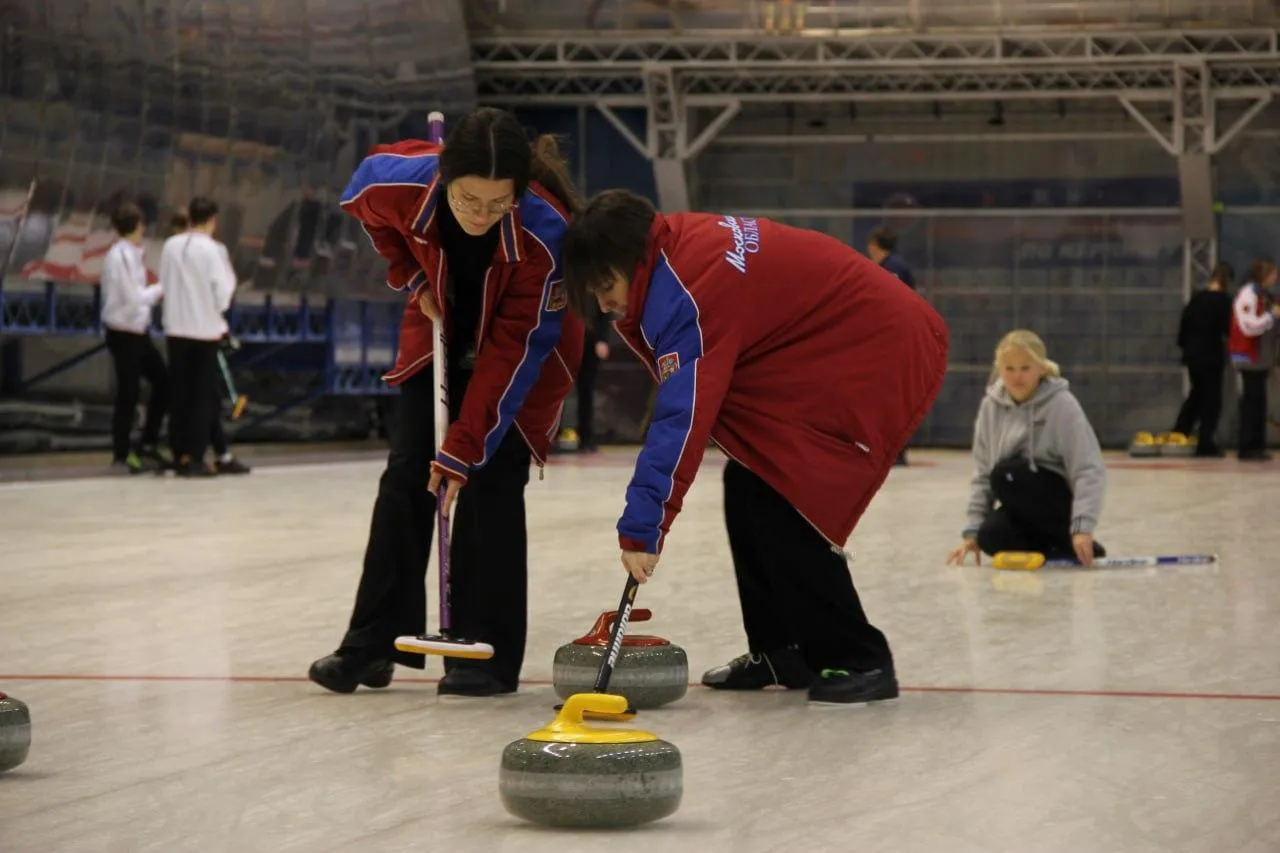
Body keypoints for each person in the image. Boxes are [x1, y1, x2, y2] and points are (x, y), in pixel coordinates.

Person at [560, 189, 949, 706]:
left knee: (786, 495)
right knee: (748, 481)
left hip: (872, 346)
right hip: (828, 342)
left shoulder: (683, 291)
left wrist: (643, 526)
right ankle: (782, 649)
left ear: (633, 259)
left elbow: (682, 416)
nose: (605, 305)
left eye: (606, 286)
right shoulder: (672, 252)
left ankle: (859, 658)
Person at [308, 108, 584, 697]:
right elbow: (362, 201)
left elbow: (513, 351)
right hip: (437, 325)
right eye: (467, 201)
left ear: (520, 191)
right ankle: (372, 642)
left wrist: (462, 448)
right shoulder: (400, 183)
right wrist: (412, 276)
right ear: (444, 180)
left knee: (488, 478)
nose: (481, 216)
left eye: (497, 204)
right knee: (409, 473)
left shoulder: (545, 235)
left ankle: (485, 655)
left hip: (522, 354)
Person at [946, 330, 1106, 568]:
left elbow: (1088, 469)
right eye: (1009, 369)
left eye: (1025, 368)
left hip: (1056, 498)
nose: (1017, 377)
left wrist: (1083, 527)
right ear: (999, 370)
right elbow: (982, 473)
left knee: (1005, 475)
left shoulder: (1062, 405)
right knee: (989, 536)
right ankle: (1059, 546)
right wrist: (972, 531)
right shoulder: (991, 407)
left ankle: (1071, 538)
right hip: (1018, 499)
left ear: (1041, 368)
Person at [167, 210, 251, 475]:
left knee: (180, 393)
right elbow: (224, 291)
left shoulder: (171, 245)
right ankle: (196, 456)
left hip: (175, 329)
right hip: (204, 332)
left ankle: (181, 453)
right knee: (204, 397)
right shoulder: (214, 249)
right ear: (213, 220)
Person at [100, 202, 168, 474]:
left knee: (163, 381)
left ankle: (148, 442)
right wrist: (160, 288)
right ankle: (122, 453)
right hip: (122, 332)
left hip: (138, 332)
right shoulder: (119, 256)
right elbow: (133, 299)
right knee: (128, 393)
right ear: (138, 225)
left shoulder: (132, 254)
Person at [867, 225, 917, 466]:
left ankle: (894, 450)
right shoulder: (894, 266)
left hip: (892, 342)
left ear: (876, 245)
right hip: (895, 340)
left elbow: (889, 305)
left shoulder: (892, 268)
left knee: (890, 395)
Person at [1173, 261, 1234, 457]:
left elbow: (1183, 328)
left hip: (1192, 355)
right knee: (1211, 399)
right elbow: (1227, 329)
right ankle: (1205, 442)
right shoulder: (1224, 301)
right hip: (1211, 355)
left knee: (1197, 394)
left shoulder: (1196, 298)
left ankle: (1180, 432)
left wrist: (1186, 347)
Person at [1227, 258, 1280, 461]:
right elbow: (1249, 326)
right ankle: (1247, 446)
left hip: (1262, 359)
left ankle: (1257, 445)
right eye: (1273, 273)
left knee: (1259, 402)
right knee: (1251, 402)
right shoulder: (1248, 295)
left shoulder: (1264, 295)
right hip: (1249, 358)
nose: (1275, 277)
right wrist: (1271, 317)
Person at [574, 303, 612, 452]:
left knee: (586, 391)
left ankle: (585, 438)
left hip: (590, 342)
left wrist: (602, 339)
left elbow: (604, 313)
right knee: (557, 391)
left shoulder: (594, 285)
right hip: (566, 340)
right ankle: (552, 437)